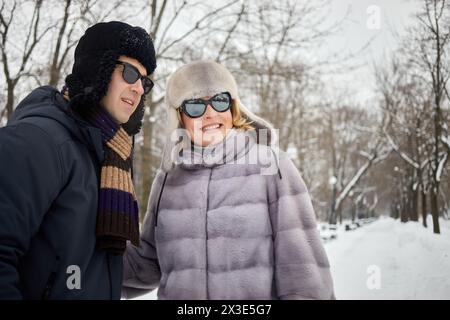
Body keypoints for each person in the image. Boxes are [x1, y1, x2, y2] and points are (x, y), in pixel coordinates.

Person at [122, 60, 335, 300]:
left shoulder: (270, 166)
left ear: (233, 108)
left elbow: (304, 273)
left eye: (220, 101)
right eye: (195, 106)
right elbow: (147, 265)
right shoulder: (169, 179)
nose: (211, 113)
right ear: (180, 117)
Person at [0, 21, 156, 299]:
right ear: (97, 68)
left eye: (145, 81)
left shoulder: (109, 158)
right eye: (130, 73)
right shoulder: (39, 140)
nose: (139, 88)